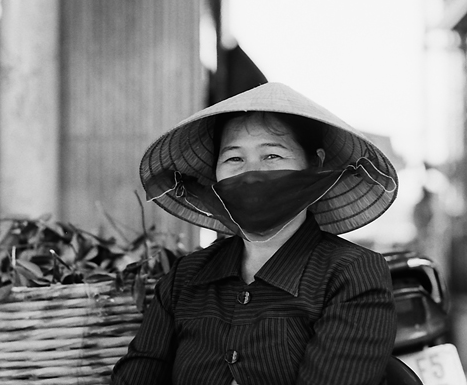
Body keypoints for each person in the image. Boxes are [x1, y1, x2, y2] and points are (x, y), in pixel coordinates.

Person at [111, 82, 399, 385]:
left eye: (272, 156)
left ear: (315, 164)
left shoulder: (352, 274)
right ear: (216, 174)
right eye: (234, 158)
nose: (251, 173)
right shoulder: (184, 279)